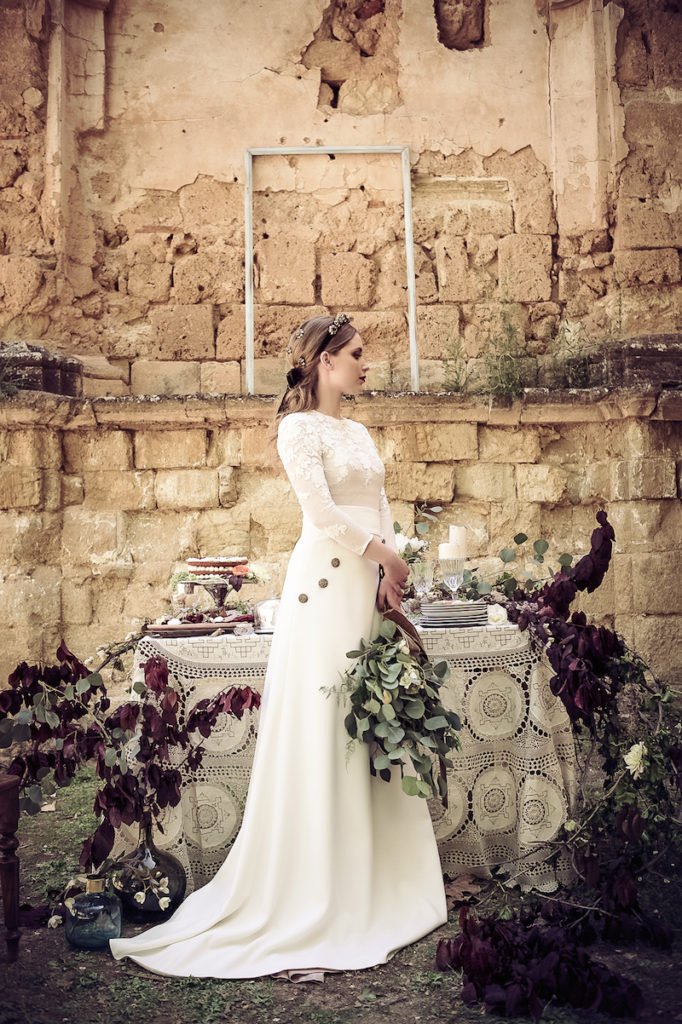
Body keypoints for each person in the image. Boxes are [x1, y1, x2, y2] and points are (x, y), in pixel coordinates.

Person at [110, 313, 447, 980]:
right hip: (322, 591)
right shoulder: (298, 430)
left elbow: (378, 501)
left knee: (366, 721)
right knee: (325, 724)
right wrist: (383, 555)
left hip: (364, 590)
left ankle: (375, 879)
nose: (365, 364)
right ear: (323, 361)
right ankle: (313, 887)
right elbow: (321, 514)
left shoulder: (356, 429)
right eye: (355, 355)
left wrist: (389, 572)